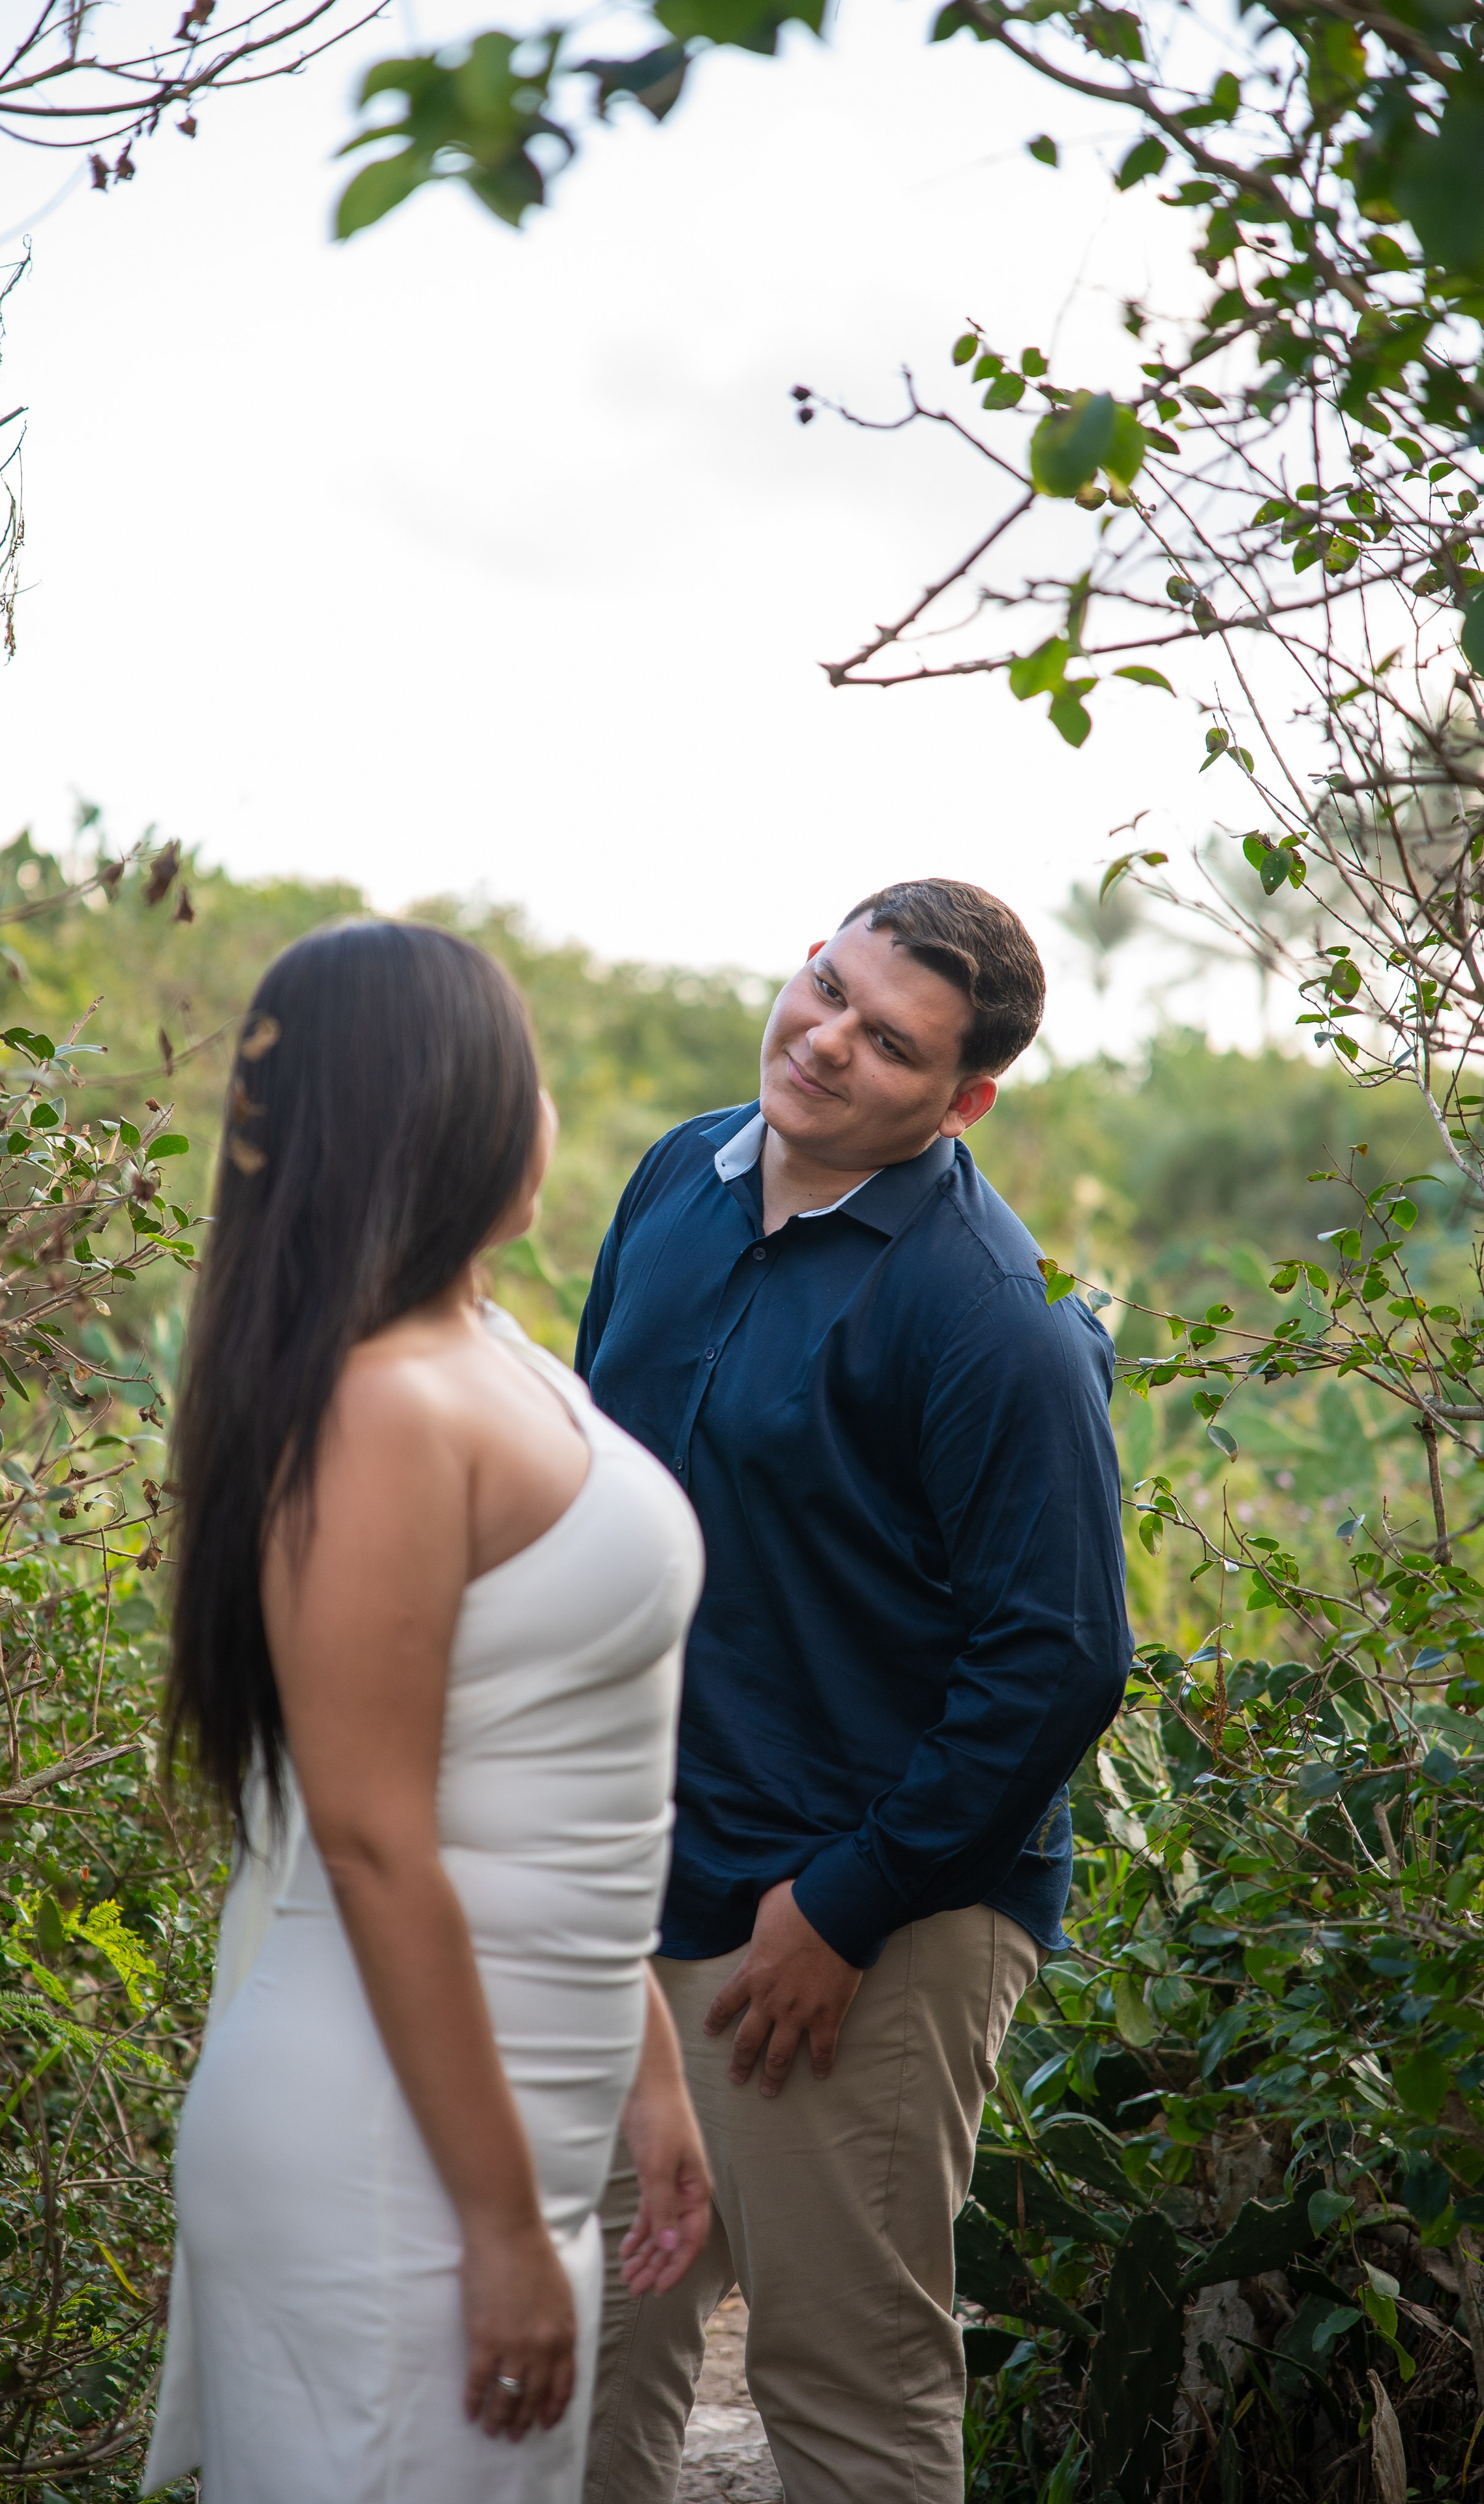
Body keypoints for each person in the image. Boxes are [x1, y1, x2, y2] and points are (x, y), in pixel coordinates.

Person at [142, 919, 713, 2504]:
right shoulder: (382, 1405)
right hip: (392, 2164)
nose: (544, 1113)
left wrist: (645, 2067)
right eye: (522, 1074)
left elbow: (541, 1773)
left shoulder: (485, 1350)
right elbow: (379, 1836)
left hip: (506, 2121)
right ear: (451, 1111)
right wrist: (498, 2229)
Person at [576, 878, 1131, 2504]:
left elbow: (1059, 1660)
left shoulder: (992, 1320)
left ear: (962, 1101)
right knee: (588, 2340)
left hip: (867, 1910)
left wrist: (846, 1904)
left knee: (844, 2387)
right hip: (648, 1875)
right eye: (823, 987)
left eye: (884, 1043)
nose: (820, 1041)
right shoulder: (680, 1175)